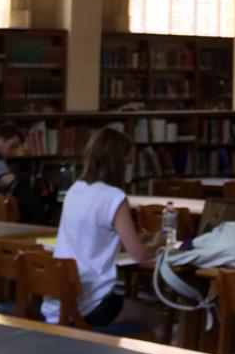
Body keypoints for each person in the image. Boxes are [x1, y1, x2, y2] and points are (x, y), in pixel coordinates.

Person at [44, 127, 168, 341]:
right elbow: (139, 255)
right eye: (128, 161)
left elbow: (90, 239)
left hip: (57, 301)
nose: (129, 166)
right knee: (160, 320)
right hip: (91, 304)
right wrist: (160, 242)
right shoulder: (114, 197)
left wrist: (135, 239)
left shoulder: (76, 189)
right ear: (118, 162)